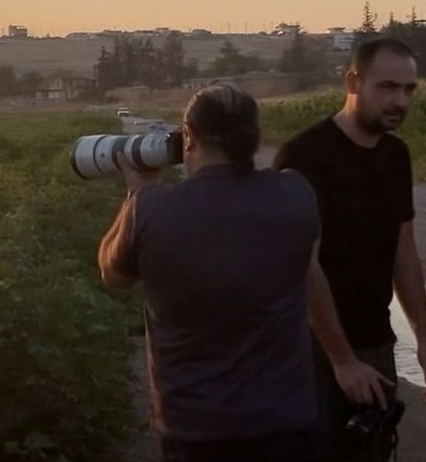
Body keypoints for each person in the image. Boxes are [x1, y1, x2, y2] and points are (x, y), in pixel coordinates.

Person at [99, 84, 321, 462]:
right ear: (255, 138)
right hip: (285, 419)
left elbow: (112, 274)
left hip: (194, 425)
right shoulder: (297, 194)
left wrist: (136, 194)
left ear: (190, 138)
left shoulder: (152, 209)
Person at [273, 36, 426, 461]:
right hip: (312, 353)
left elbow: (403, 252)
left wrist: (424, 341)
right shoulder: (304, 156)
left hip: (376, 343)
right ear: (353, 81)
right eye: (387, 87)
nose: (400, 100)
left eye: (408, 89)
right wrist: (342, 360)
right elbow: (300, 267)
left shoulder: (395, 156)